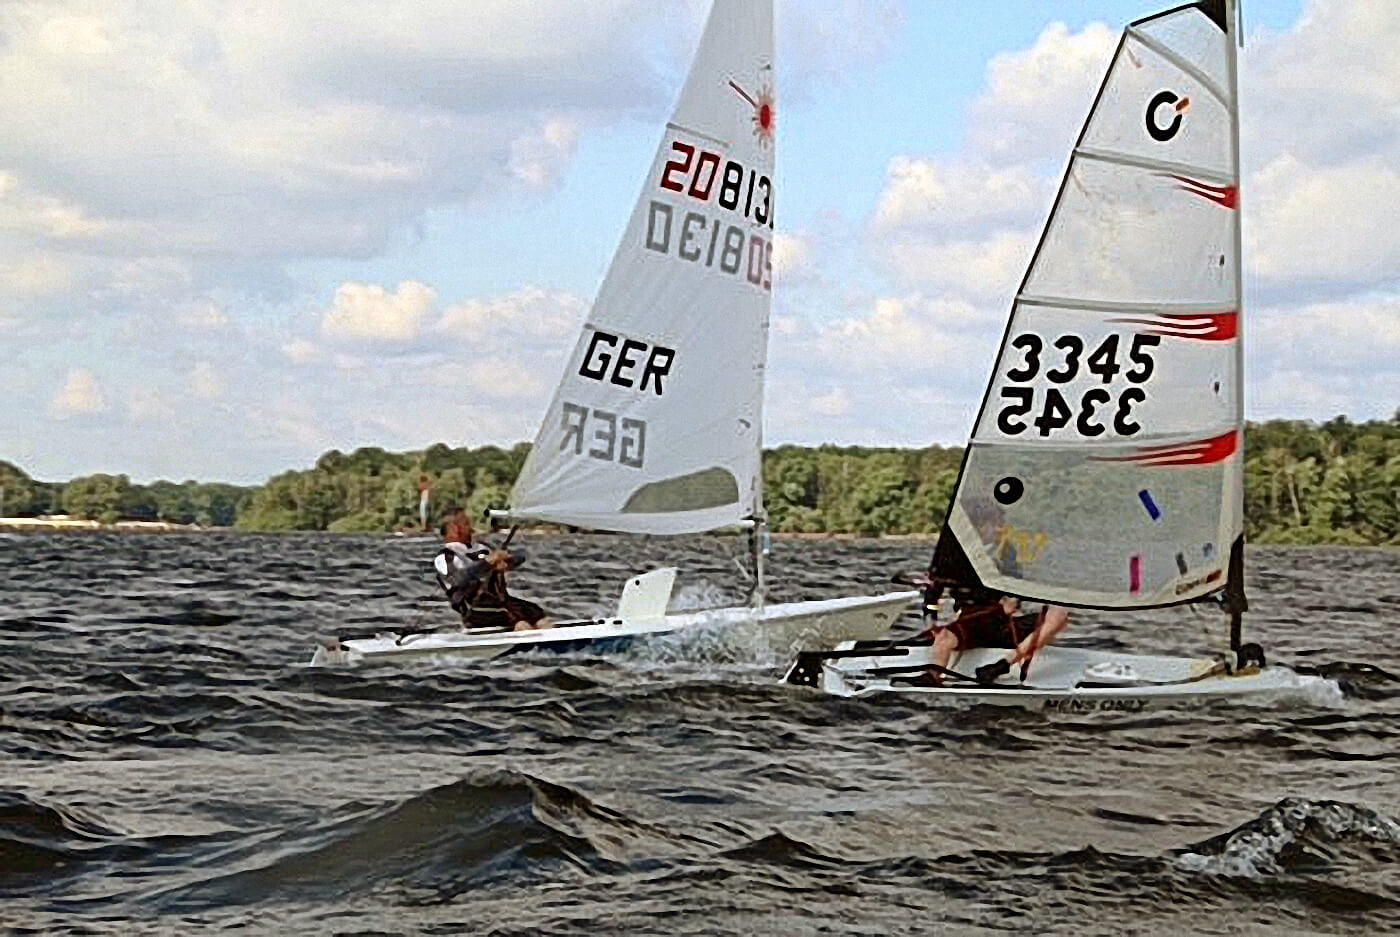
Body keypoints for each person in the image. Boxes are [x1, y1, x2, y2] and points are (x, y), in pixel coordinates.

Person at [921, 586, 1070, 686]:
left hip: (1004, 626)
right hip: (973, 623)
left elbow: (1013, 603)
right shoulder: (954, 561)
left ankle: (1001, 666)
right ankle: (933, 675)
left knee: (1059, 615)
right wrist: (931, 626)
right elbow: (932, 594)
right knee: (944, 637)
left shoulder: (1006, 557)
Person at [433, 508, 553, 631]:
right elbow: (456, 580)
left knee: (537, 613)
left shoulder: (482, 548)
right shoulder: (445, 557)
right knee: (521, 623)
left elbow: (517, 558)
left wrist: (508, 562)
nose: (471, 527)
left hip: (500, 602)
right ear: (454, 528)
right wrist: (487, 563)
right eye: (466, 523)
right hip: (475, 609)